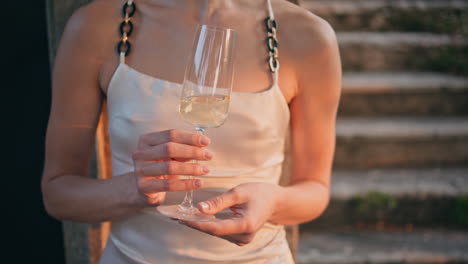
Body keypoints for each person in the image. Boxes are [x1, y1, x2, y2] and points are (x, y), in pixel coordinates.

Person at [42, 0, 341, 263]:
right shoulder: (97, 26)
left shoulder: (307, 36)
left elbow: (314, 188)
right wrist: (135, 189)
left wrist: (273, 201)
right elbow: (58, 193)